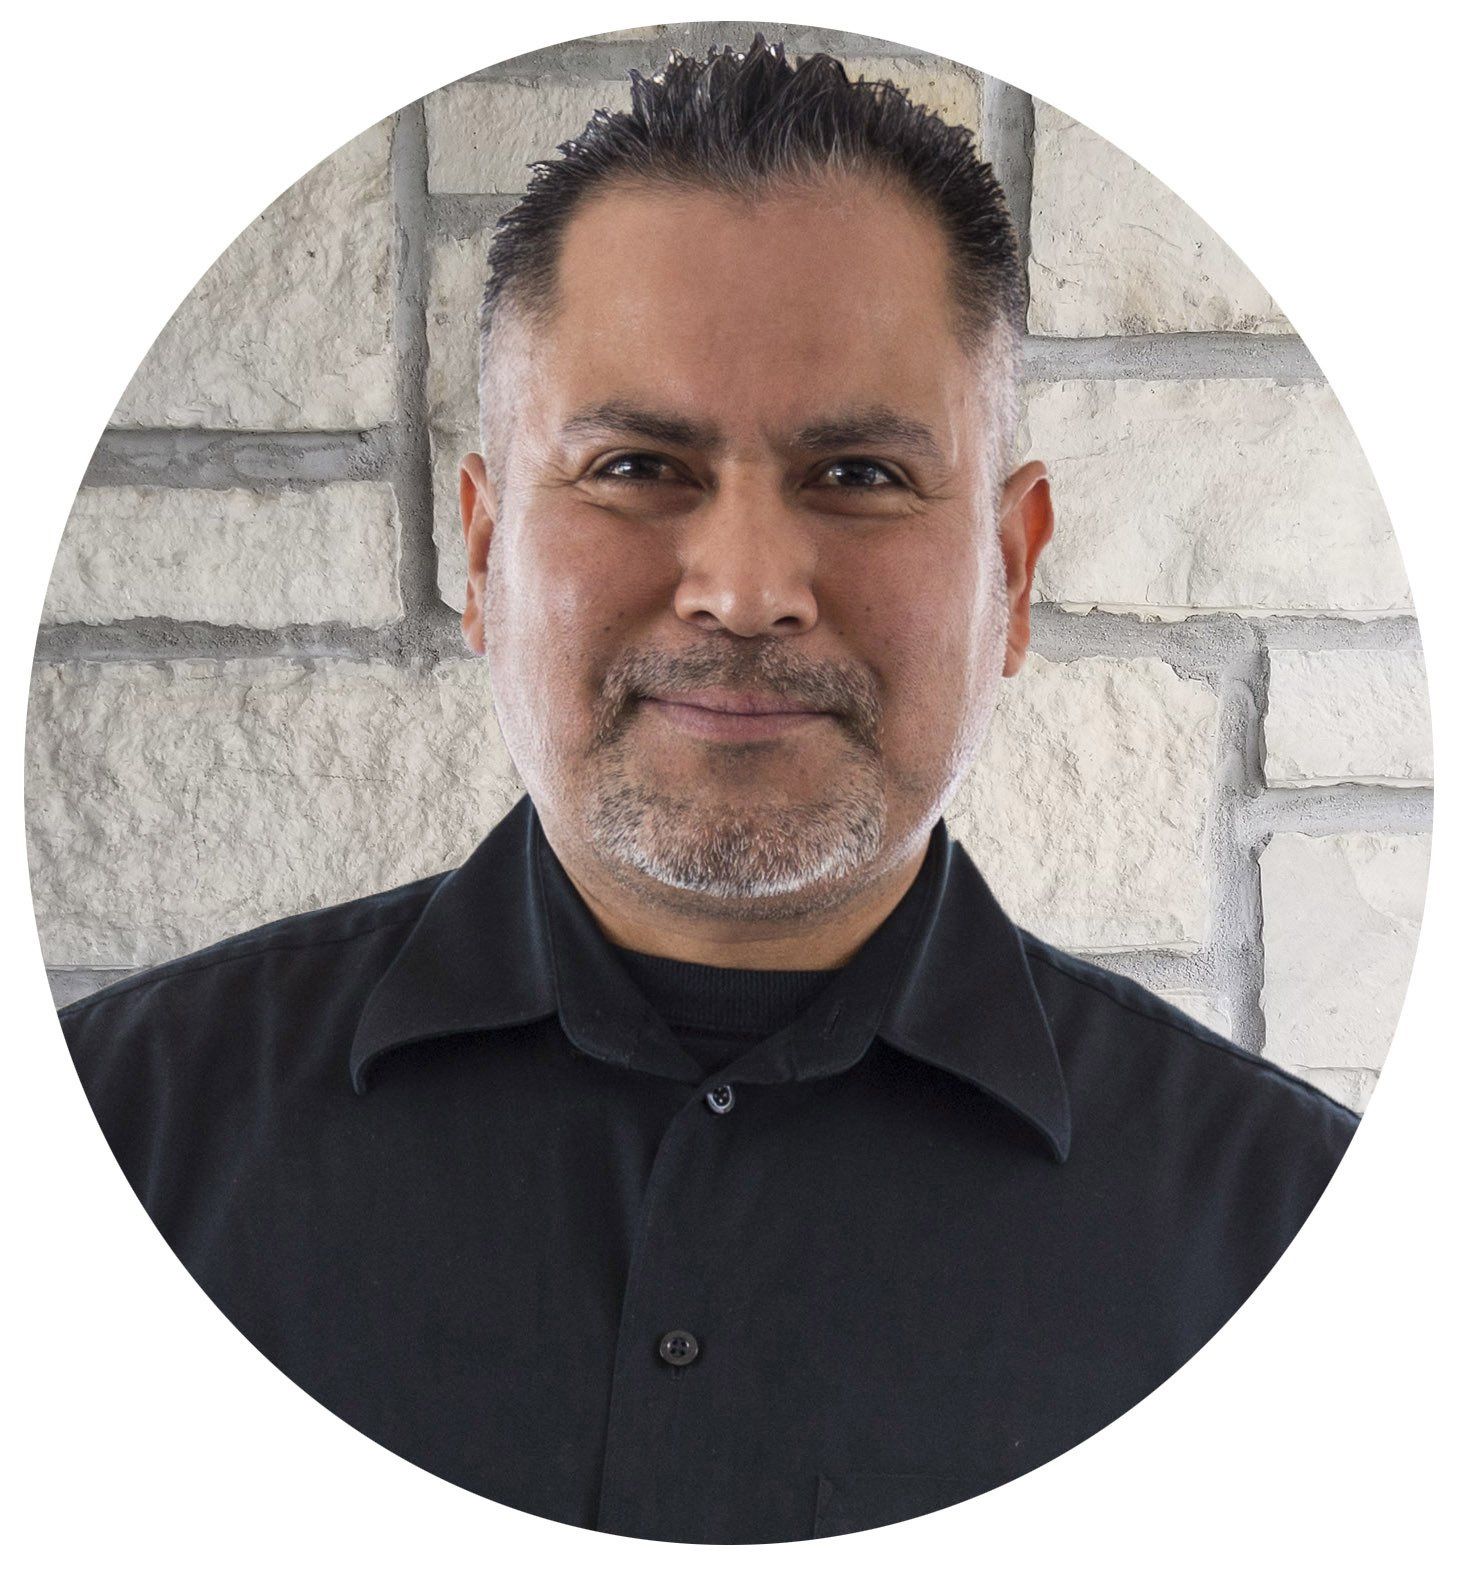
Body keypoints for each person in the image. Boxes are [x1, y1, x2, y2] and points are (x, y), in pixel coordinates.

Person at [60, 36, 1358, 1544]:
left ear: (1011, 570)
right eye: (635, 466)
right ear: (482, 552)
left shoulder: (1302, 1250)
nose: (744, 591)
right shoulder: (111, 1146)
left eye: (859, 475)